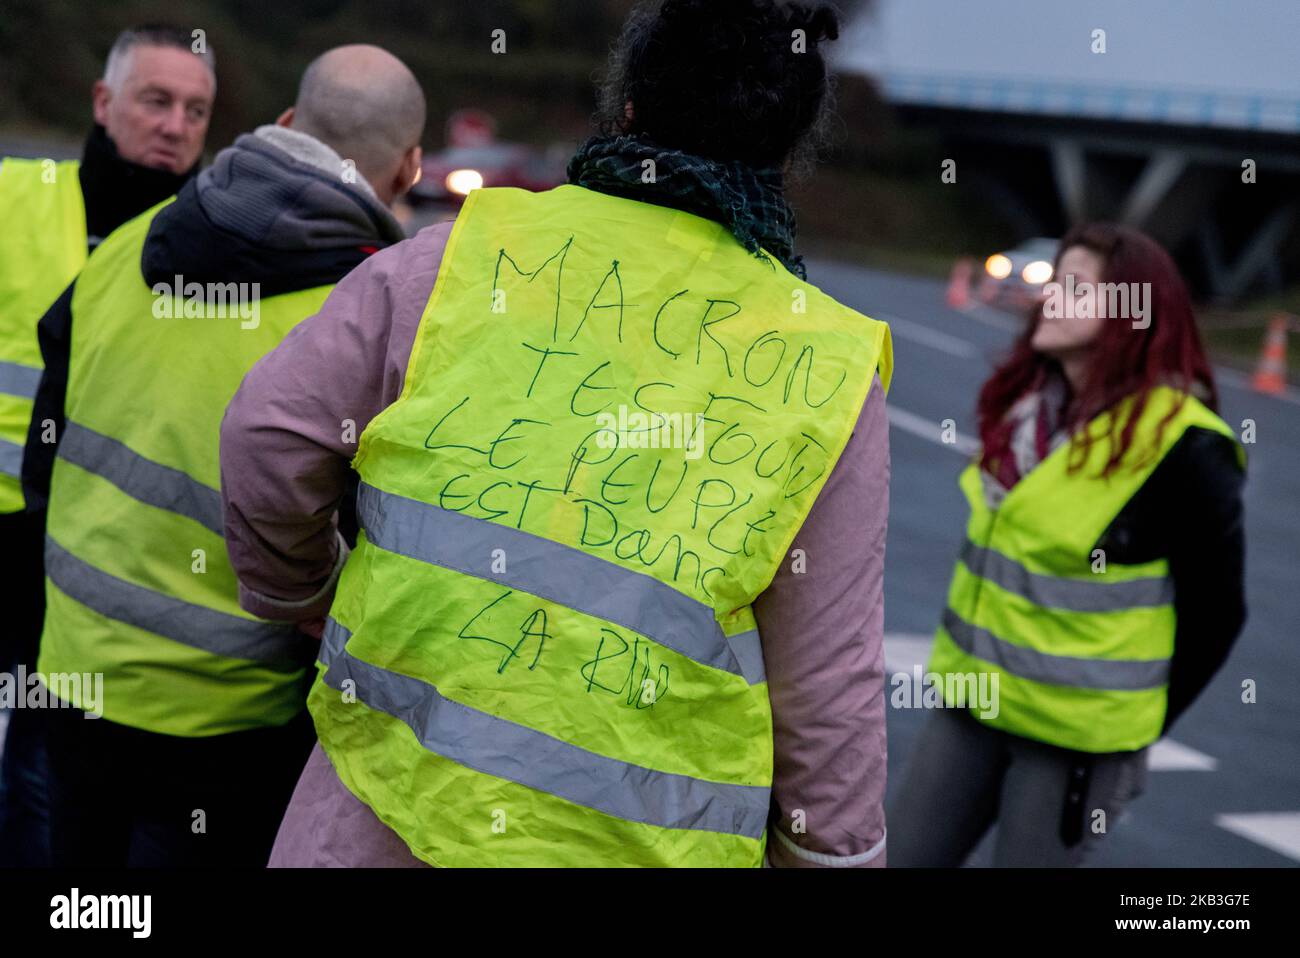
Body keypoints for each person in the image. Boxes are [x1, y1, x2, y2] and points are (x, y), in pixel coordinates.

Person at [222, 0, 894, 867]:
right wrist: (831, 859)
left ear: (628, 109)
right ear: (786, 149)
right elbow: (829, 689)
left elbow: (266, 435)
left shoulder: (457, 257)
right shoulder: (829, 365)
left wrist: (299, 594)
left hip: (378, 820)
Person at [22, 44, 425, 867]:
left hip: (76, 678)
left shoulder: (130, 243)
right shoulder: (365, 322)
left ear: (283, 124)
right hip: (233, 722)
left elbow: (43, 454)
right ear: (411, 168)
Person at [888, 223, 1247, 867]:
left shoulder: (1187, 449)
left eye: (1074, 286)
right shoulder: (1027, 412)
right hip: (971, 705)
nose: (1050, 297)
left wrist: (1126, 729)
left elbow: (1217, 617)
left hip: (1075, 742)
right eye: (1054, 281)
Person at [0, 23, 217, 867]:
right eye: (156, 101)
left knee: (40, 770)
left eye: (196, 110)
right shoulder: (18, 197)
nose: (175, 125)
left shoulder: (206, 236)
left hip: (82, 543)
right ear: (104, 102)